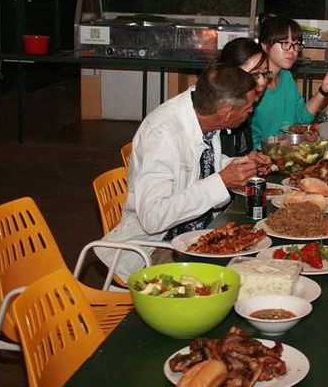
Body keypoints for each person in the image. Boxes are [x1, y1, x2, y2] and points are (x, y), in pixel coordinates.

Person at [98, 63, 272, 281]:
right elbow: (153, 217)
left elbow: (197, 166)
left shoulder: (202, 110)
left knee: (264, 254)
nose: (251, 112)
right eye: (248, 109)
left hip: (201, 230)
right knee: (246, 278)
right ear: (226, 113)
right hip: (158, 247)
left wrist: (240, 164)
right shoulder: (163, 135)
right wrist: (221, 181)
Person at [251, 15, 328, 148]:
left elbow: (300, 121)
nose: (292, 51)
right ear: (265, 46)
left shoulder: (286, 77)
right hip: (257, 157)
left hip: (283, 154)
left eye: (296, 45)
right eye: (285, 43)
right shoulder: (253, 83)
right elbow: (246, 138)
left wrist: (323, 90)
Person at [218, 38, 271, 157]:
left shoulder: (245, 108)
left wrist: (250, 158)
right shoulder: (216, 115)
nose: (262, 82)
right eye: (255, 74)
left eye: (266, 74)